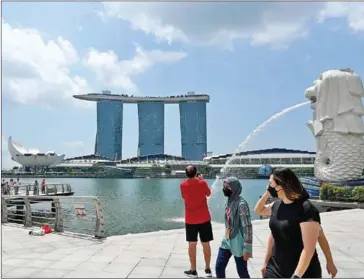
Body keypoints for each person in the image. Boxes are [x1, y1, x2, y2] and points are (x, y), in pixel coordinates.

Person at [254, 168, 322, 278]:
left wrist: (296, 276)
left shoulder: (306, 209)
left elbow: (308, 249)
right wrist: (265, 262)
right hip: (274, 269)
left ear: (281, 185)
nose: (269, 187)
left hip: (301, 272)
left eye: (271, 184)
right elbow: (258, 210)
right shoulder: (276, 206)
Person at [215, 177, 252, 278]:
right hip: (227, 239)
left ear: (235, 188)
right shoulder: (229, 201)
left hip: (238, 240)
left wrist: (247, 249)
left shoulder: (242, 204)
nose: (225, 189)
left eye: (228, 187)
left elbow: (247, 227)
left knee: (242, 271)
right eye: (224, 186)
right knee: (219, 266)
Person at [180, 165, 213, 278]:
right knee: (206, 244)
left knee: (192, 244)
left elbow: (185, 197)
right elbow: (208, 194)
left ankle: (193, 270)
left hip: (190, 220)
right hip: (204, 218)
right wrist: (201, 180)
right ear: (196, 173)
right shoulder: (202, 183)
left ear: (186, 174)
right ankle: (207, 269)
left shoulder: (183, 185)